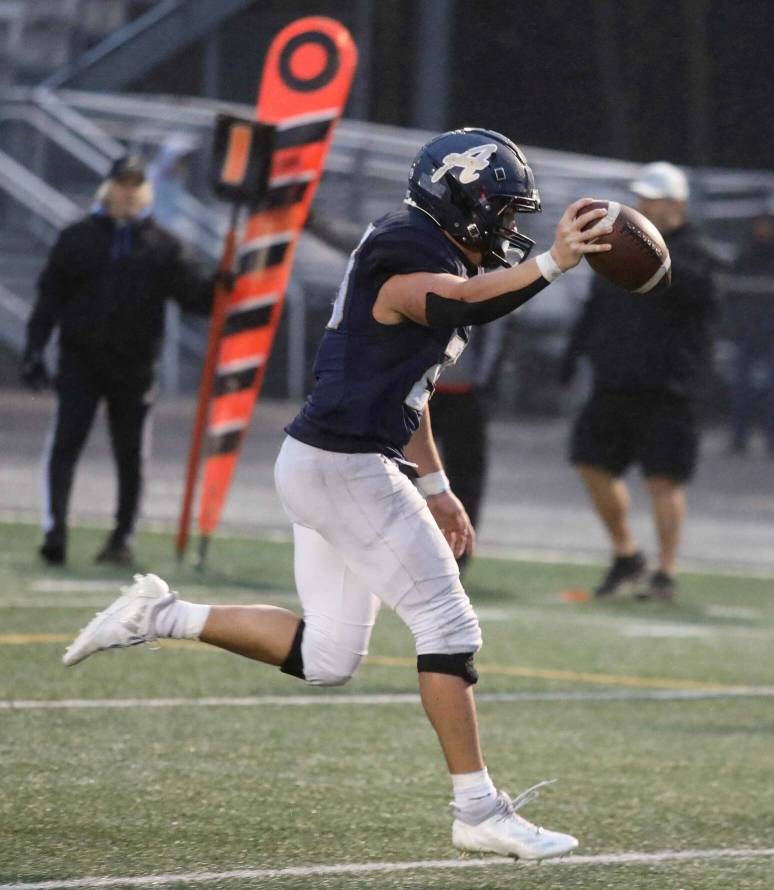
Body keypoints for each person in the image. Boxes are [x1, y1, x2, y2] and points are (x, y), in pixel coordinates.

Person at [62, 128, 612, 860]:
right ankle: (478, 809)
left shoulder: (431, 246)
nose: (512, 229)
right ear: (460, 201)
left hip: (329, 461)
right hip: (345, 467)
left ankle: (159, 613)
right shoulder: (408, 250)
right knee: (449, 627)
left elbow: (405, 391)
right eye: (502, 212)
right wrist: (554, 264)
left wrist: (439, 487)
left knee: (326, 658)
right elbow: (456, 305)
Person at [21, 154, 216, 567]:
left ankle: (122, 539)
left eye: (135, 185)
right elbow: (49, 297)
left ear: (144, 191)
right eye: (122, 184)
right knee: (65, 446)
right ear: (107, 188)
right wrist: (35, 349)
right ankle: (54, 534)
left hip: (135, 367)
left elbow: (195, 298)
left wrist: (223, 283)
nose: (128, 192)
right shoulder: (77, 238)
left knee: (131, 457)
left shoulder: (162, 245)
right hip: (80, 362)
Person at [561, 162, 719, 602]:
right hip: (615, 380)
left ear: (677, 204)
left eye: (654, 198)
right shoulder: (620, 247)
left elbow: (700, 295)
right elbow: (595, 308)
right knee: (589, 461)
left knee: (663, 479)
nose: (645, 204)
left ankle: (665, 572)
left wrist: (655, 256)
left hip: (668, 385)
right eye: (642, 197)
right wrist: (573, 355)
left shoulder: (696, 252)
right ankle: (626, 554)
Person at [429, 319, 509, 571]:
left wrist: (482, 384)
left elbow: (495, 330)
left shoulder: (481, 279)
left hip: (463, 392)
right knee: (399, 471)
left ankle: (456, 554)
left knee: (464, 477)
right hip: (420, 389)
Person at [727, 211, 774, 457]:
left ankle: (772, 441)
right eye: (760, 225)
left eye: (768, 226)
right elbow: (732, 294)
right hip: (747, 332)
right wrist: (736, 325)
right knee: (741, 389)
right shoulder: (745, 255)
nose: (763, 231)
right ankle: (739, 439)